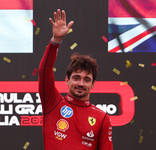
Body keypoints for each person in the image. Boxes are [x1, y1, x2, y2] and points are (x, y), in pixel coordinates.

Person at [38, 9, 113, 150]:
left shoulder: (102, 118)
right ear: (67, 80)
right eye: (76, 78)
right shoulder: (53, 103)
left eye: (86, 79)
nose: (81, 83)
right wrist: (56, 41)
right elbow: (44, 72)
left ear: (92, 84)